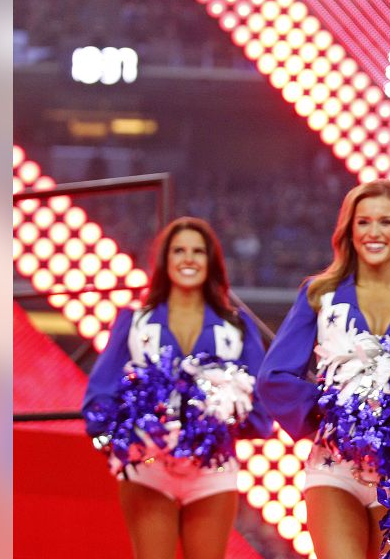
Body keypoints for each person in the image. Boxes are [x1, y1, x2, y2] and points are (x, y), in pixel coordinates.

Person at [82, 217, 273, 559]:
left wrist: (221, 417)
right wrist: (126, 436)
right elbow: (99, 399)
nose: (188, 259)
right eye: (179, 251)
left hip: (212, 469)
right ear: (164, 260)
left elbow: (260, 412)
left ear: (211, 262)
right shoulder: (135, 321)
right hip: (150, 465)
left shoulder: (236, 327)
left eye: (198, 252)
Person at [257, 180, 390, 559]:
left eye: (385, 222)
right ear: (349, 231)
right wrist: (332, 414)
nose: (374, 232)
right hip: (334, 467)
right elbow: (274, 377)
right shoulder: (321, 294)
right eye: (363, 222)